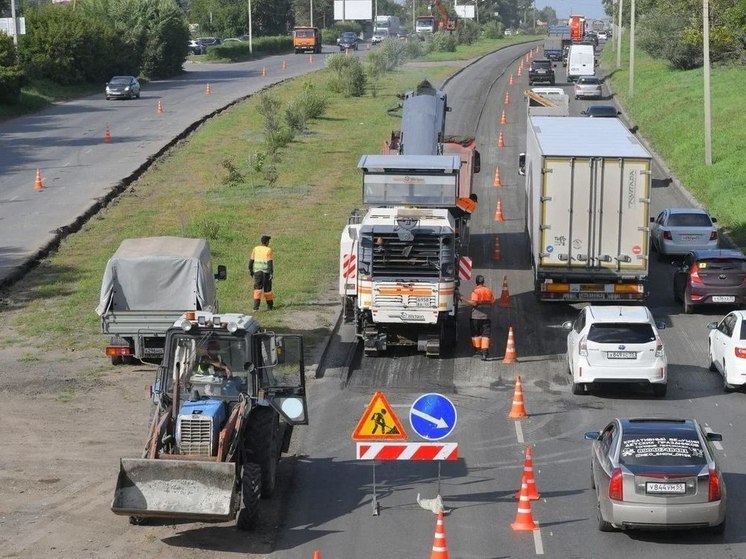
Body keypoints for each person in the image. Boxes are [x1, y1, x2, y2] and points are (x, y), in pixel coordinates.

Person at [459, 274, 495, 360]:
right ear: (483, 282)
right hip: (486, 317)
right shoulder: (488, 290)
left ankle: (477, 351)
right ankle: (484, 353)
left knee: (476, 334)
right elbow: (492, 301)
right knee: (485, 335)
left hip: (475, 317)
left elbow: (474, 303)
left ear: (476, 282)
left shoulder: (475, 291)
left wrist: (462, 298)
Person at [248, 234, 274, 311]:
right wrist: (271, 273)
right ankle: (270, 306)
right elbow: (270, 263)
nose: (269, 243)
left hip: (257, 272)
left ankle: (255, 308)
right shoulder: (268, 250)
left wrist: (250, 270)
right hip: (266, 272)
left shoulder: (255, 249)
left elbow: (251, 261)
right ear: (266, 242)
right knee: (267, 290)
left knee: (257, 289)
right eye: (268, 241)